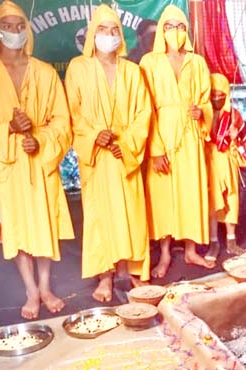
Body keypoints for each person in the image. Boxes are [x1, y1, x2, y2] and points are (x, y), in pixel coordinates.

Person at [0, 0, 74, 320]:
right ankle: (30, 290)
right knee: (18, 227)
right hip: (9, 164)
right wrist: (9, 129)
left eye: (19, 26)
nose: (14, 31)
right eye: (6, 26)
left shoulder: (44, 73)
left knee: (45, 224)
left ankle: (45, 286)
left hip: (41, 163)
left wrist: (38, 139)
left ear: (27, 30)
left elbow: (61, 121)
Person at [65, 4, 151, 302]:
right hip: (98, 156)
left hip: (123, 154)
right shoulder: (79, 67)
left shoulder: (132, 70)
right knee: (101, 215)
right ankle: (105, 276)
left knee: (131, 214)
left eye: (115, 30)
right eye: (103, 30)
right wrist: (94, 136)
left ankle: (129, 272)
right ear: (92, 34)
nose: (109, 35)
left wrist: (124, 142)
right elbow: (72, 112)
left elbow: (143, 113)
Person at [140, 5, 215, 274]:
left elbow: (206, 101)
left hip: (190, 137)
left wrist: (201, 112)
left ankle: (192, 251)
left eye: (181, 26)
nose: (175, 31)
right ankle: (164, 254)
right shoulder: (150, 61)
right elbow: (144, 106)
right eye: (169, 26)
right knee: (163, 197)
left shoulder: (197, 62)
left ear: (187, 30)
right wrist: (155, 149)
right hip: (161, 133)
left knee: (191, 191)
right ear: (161, 30)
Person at [205, 73, 246, 260]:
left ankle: (231, 241)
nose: (217, 98)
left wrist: (234, 137)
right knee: (213, 202)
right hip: (210, 162)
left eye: (220, 94)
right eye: (213, 94)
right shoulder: (204, 114)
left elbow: (243, 139)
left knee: (231, 200)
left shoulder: (234, 115)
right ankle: (213, 243)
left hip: (228, 161)